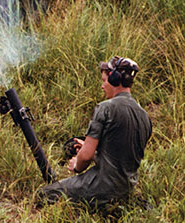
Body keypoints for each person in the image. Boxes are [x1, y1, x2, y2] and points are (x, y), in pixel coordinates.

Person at [38, 56, 152, 207]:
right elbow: (121, 157)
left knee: (43, 195)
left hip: (102, 187)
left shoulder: (105, 108)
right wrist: (94, 149)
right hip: (126, 188)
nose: (102, 85)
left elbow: (86, 156)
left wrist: (76, 165)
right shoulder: (144, 116)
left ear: (114, 79)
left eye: (104, 80)